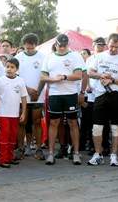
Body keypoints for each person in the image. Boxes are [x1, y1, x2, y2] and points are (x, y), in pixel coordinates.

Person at [87, 33, 118, 166]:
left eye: (116, 47)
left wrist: (112, 80)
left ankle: (114, 156)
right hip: (100, 95)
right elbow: (90, 72)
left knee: (115, 127)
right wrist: (102, 75)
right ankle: (98, 154)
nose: (113, 49)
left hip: (117, 95)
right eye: (112, 46)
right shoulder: (100, 56)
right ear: (108, 43)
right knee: (97, 127)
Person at [41, 34, 83, 165]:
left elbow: (78, 75)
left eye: (65, 45)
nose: (63, 48)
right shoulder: (49, 57)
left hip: (70, 94)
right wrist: (54, 79)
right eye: (60, 46)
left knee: (73, 122)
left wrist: (64, 77)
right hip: (54, 94)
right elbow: (43, 77)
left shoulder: (75, 56)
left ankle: (76, 153)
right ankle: (51, 153)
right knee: (54, 123)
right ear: (56, 45)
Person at [14, 33, 46, 160]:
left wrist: (37, 92)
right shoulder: (18, 57)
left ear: (35, 45)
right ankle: (20, 149)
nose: (30, 50)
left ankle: (38, 149)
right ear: (24, 46)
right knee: (22, 122)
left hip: (38, 95)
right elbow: (15, 76)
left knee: (37, 122)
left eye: (32, 48)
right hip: (23, 95)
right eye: (28, 48)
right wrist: (27, 89)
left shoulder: (43, 57)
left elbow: (44, 75)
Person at [0, 58, 27, 168]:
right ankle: (2, 159)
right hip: (3, 114)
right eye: (7, 66)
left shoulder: (20, 81)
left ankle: (10, 157)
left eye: (12, 67)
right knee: (4, 135)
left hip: (15, 114)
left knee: (13, 137)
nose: (9, 69)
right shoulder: (1, 80)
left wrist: (23, 113)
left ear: (17, 69)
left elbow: (24, 98)